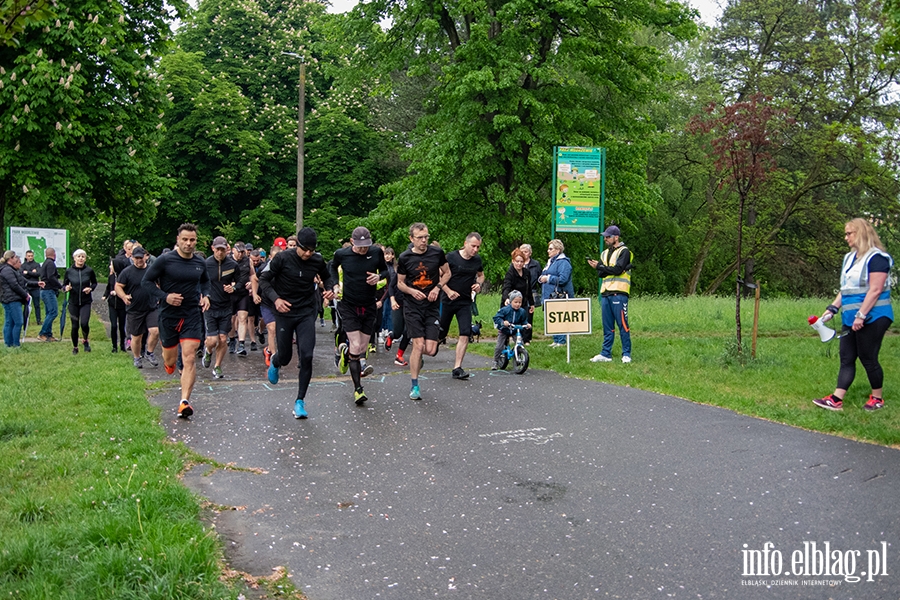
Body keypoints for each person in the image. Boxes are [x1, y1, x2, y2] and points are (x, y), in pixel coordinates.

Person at [813, 218, 894, 412]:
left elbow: (875, 290)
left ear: (861, 233)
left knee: (868, 356)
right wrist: (832, 308)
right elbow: (846, 289)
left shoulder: (877, 258)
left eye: (849, 233)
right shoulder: (850, 258)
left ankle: (877, 398)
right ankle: (836, 399)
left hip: (875, 315)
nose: (846, 237)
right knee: (846, 356)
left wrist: (861, 315)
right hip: (852, 316)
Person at [259, 227, 335, 419]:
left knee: (307, 355)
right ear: (297, 245)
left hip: (306, 311)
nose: (308, 253)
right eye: (305, 249)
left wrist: (330, 288)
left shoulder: (316, 260)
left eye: (312, 249)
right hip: (285, 311)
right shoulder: (282, 258)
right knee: (285, 357)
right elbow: (264, 280)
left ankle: (300, 401)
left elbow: (326, 276)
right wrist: (276, 299)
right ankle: (275, 361)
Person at [141, 223, 211, 419]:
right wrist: (165, 296)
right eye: (185, 240)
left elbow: (206, 281)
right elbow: (145, 282)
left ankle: (184, 402)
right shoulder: (164, 260)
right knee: (170, 359)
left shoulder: (200, 263)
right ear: (178, 240)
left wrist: (206, 296)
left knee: (189, 357)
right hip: (168, 315)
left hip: (191, 314)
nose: (189, 243)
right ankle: (169, 363)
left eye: (192, 240)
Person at [329, 227, 388, 406]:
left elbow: (387, 272)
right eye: (360, 246)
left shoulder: (376, 253)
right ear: (352, 241)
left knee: (362, 347)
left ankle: (346, 355)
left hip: (369, 304)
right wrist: (334, 286)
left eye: (366, 246)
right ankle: (358, 389)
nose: (363, 249)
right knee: (356, 345)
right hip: (348, 304)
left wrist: (378, 277)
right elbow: (331, 268)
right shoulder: (342, 254)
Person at [396, 222, 450, 400]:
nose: (424, 241)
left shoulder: (437, 253)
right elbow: (400, 283)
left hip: (432, 306)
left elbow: (447, 272)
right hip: (413, 307)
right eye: (420, 238)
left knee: (430, 349)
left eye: (426, 236)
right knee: (418, 345)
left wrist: (438, 287)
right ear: (411, 239)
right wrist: (412, 291)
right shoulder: (404, 258)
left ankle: (418, 359)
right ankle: (415, 386)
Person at [438, 232, 485, 380]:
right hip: (448, 300)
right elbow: (439, 275)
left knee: (465, 333)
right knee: (440, 335)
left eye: (478, 247)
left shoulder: (477, 260)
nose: (476, 250)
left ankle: (457, 368)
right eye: (473, 246)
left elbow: (481, 275)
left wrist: (478, 284)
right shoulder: (451, 257)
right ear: (465, 244)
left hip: (465, 302)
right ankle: (424, 351)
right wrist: (448, 290)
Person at [588, 225, 633, 363]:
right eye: (605, 237)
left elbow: (618, 270)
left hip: (619, 292)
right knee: (607, 326)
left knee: (622, 324)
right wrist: (603, 268)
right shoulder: (604, 253)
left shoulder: (624, 251)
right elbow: (602, 273)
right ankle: (605, 353)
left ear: (616, 237)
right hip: (606, 292)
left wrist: (602, 267)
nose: (606, 239)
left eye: (608, 236)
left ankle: (626, 353)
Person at [117, 247, 160, 367]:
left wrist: (160, 295)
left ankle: (149, 352)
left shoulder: (152, 271)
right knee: (136, 336)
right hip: (134, 309)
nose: (139, 260)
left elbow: (160, 284)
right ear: (132, 258)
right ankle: (137, 357)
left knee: (155, 331)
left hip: (151, 307)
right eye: (136, 258)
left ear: (146, 257)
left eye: (141, 258)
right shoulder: (127, 272)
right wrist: (124, 296)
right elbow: (118, 286)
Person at [202, 236, 239, 379]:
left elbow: (240, 281)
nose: (220, 252)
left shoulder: (232, 265)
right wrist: (203, 296)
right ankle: (208, 351)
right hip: (210, 306)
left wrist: (234, 287)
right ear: (212, 249)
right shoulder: (206, 264)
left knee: (223, 339)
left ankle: (217, 366)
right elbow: (199, 283)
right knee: (212, 340)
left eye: (223, 250)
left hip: (226, 306)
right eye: (217, 250)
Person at [538, 239, 574, 347]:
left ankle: (561, 341)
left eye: (550, 249)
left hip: (560, 295)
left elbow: (563, 279)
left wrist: (548, 278)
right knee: (552, 318)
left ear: (558, 250)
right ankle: (556, 339)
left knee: (560, 318)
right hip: (549, 296)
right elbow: (543, 275)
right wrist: (541, 278)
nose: (548, 251)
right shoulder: (550, 262)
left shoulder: (564, 263)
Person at [63, 249, 98, 354]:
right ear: (74, 258)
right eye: (78, 256)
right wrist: (66, 288)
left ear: (85, 259)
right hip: (73, 302)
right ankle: (75, 347)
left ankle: (85, 340)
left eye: (83, 256)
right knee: (75, 325)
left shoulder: (89, 270)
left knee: (84, 323)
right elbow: (63, 285)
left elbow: (95, 283)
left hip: (85, 301)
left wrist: (90, 288)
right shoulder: (69, 271)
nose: (81, 258)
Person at [492, 290, 531, 369]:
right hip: (504, 329)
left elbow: (523, 320)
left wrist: (526, 324)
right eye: (515, 302)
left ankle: (518, 357)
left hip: (514, 330)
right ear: (510, 301)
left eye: (519, 302)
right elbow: (497, 317)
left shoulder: (522, 311)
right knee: (499, 346)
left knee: (520, 343)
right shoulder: (505, 309)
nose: (517, 304)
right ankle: (495, 361)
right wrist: (503, 322)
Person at [0, 251, 29, 348]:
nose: (17, 259)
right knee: (17, 322)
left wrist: (37, 283)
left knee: (10, 321)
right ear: (10, 259)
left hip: (10, 298)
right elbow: (14, 285)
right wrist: (25, 295)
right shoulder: (7, 270)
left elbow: (23, 281)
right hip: (11, 299)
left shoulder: (11, 270)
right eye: (15, 257)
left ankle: (9, 344)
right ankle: (15, 344)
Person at [37, 247, 62, 341]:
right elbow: (51, 277)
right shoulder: (51, 263)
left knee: (49, 312)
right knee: (53, 312)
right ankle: (42, 333)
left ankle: (48, 334)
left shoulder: (45, 263)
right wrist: (60, 286)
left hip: (44, 291)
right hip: (48, 290)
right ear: (54, 254)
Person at [103, 260, 127, 352]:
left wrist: (117, 292)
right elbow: (109, 287)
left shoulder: (124, 277)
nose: (110, 266)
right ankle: (114, 346)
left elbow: (127, 289)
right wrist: (106, 295)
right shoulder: (111, 276)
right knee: (113, 325)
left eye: (111, 265)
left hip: (121, 304)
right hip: (112, 304)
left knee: (122, 326)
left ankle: (122, 345)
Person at [520, 244, 542, 345]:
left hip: (531, 291)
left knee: (529, 315)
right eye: (522, 251)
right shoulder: (517, 263)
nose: (524, 254)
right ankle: (518, 336)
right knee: (518, 314)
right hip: (518, 292)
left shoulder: (535, 264)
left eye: (526, 252)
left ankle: (527, 338)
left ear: (530, 253)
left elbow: (539, 278)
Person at [21, 249, 42, 324]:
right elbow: (22, 275)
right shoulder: (23, 265)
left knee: (37, 305)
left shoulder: (37, 265)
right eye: (29, 256)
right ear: (26, 256)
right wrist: (32, 272)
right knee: (26, 305)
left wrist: (28, 272)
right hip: (27, 287)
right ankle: (25, 320)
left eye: (31, 256)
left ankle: (38, 320)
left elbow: (38, 274)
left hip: (35, 287)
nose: (30, 257)